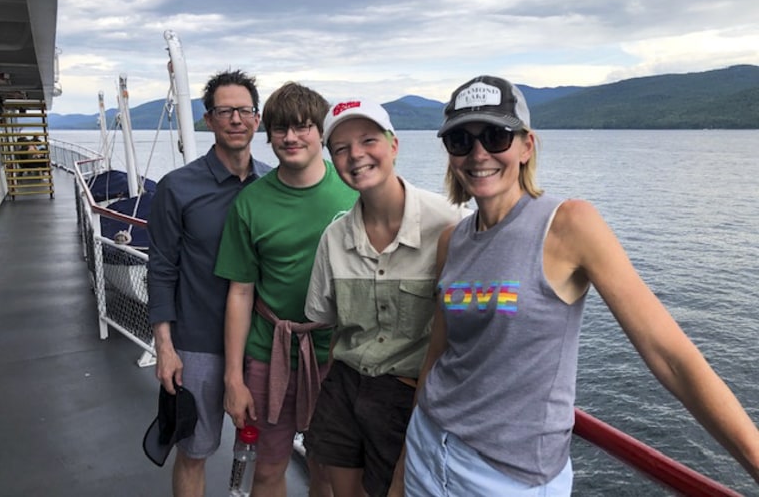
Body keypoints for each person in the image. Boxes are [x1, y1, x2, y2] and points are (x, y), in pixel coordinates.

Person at [404, 75, 759, 495]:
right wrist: (403, 463)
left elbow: (670, 355)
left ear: (526, 145)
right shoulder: (454, 240)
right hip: (427, 447)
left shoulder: (568, 225)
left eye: (496, 136)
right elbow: (438, 354)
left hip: (508, 478)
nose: (479, 153)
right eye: (461, 140)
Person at [302, 99, 467, 497]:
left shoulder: (450, 223)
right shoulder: (335, 237)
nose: (355, 155)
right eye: (340, 148)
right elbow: (328, 322)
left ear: (394, 145)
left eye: (368, 140)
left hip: (409, 395)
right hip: (344, 386)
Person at [215, 82, 358, 497]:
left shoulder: (354, 191)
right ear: (270, 134)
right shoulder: (250, 203)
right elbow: (240, 292)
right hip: (270, 353)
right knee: (267, 470)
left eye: (303, 127)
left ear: (322, 132)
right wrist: (233, 378)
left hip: (338, 353)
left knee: (329, 472)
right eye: (281, 129)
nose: (291, 138)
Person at [147, 69, 271, 497]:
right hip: (196, 345)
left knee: (263, 456)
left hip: (260, 346)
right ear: (208, 120)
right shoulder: (177, 188)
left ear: (257, 119)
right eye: (225, 111)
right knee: (194, 452)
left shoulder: (273, 185)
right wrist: (165, 348)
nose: (236, 119)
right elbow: (161, 267)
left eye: (244, 110)